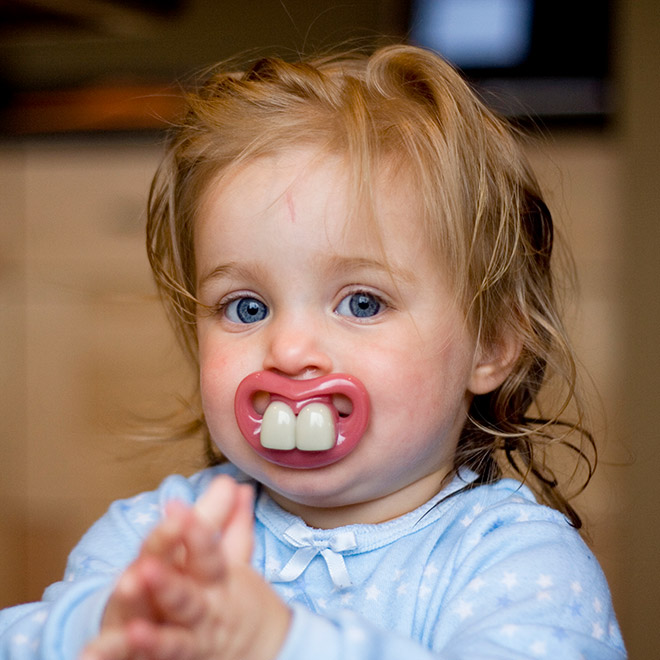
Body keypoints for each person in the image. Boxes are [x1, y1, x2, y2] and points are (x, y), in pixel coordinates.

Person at [0, 44, 626, 659]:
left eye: (361, 303)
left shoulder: (514, 561)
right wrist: (102, 625)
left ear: (490, 343)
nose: (290, 348)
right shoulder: (159, 540)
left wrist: (284, 645)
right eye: (247, 307)